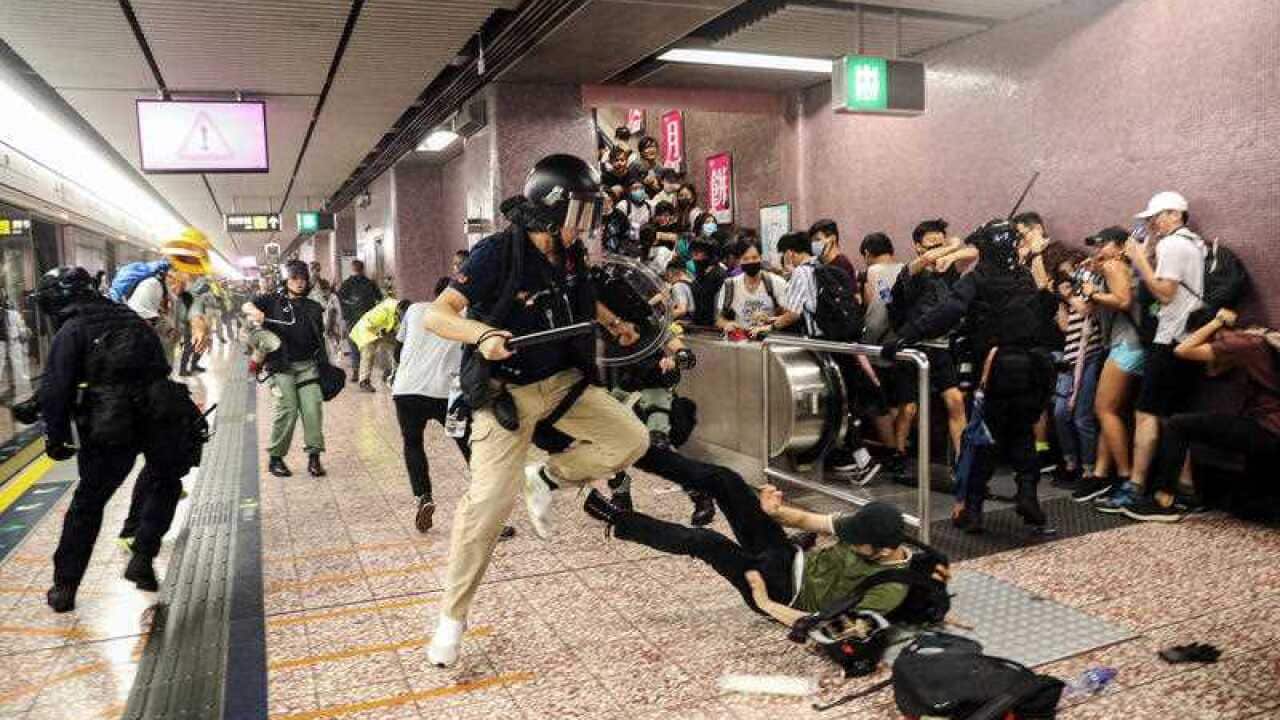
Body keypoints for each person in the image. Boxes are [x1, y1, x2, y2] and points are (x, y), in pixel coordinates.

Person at [424, 154, 650, 667]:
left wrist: (614, 324)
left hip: (565, 383)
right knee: (487, 506)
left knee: (630, 441)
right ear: (550, 212)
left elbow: (580, 297)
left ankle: (545, 478)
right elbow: (437, 316)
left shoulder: (571, 255)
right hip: (507, 394)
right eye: (579, 213)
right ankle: (451, 620)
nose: (585, 226)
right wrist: (481, 334)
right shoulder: (495, 254)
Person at [37, 267, 201, 612]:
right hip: (160, 412)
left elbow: (55, 389)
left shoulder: (72, 330)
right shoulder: (131, 318)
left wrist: (56, 435)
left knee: (88, 504)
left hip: (110, 423)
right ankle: (143, 555)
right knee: (166, 481)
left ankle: (65, 587)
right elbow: (161, 365)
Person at [884, 220, 1057, 534]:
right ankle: (1028, 494)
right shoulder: (1023, 277)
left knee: (981, 438)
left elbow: (948, 312)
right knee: (1022, 433)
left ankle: (973, 509)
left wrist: (906, 335)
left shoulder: (978, 279)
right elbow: (1043, 310)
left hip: (995, 368)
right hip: (1032, 368)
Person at [584, 470, 916, 624]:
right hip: (791, 558)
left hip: (783, 591)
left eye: (856, 543)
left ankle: (617, 519)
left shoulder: (888, 591)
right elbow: (809, 521)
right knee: (728, 482)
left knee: (705, 541)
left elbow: (827, 627)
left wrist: (765, 603)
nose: (848, 541)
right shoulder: (869, 531)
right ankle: (646, 452)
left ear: (882, 552)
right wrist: (775, 511)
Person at [1096, 192, 1206, 514]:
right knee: (1178, 419)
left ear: (1175, 214)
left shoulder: (1172, 245)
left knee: (1146, 413)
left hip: (1169, 339)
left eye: (1157, 216)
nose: (1153, 223)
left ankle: (1136, 488)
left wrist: (1140, 260)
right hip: (1187, 340)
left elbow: (1165, 294)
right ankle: (1184, 488)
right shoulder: (1195, 244)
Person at [1124, 309, 1279, 522]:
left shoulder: (1239, 343)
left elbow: (1183, 350)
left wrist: (1216, 322)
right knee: (1246, 507)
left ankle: (1163, 500)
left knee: (1178, 424)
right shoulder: (1255, 341)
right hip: (1267, 427)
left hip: (1267, 428)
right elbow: (1213, 371)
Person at [770, 232, 880, 481]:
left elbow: (794, 313)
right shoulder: (823, 268)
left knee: (835, 404)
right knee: (842, 401)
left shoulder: (802, 272)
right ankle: (851, 457)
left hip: (823, 345)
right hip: (840, 342)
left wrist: (771, 326)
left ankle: (864, 460)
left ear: (790, 253)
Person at [888, 220, 976, 466]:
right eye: (931, 245)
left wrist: (953, 253)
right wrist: (951, 247)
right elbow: (927, 260)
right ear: (917, 246)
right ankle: (899, 453)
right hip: (913, 346)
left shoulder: (950, 269)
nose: (937, 250)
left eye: (941, 243)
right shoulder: (911, 271)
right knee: (909, 408)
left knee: (955, 400)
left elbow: (973, 252)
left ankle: (962, 459)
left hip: (941, 347)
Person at [1071, 227, 1144, 502]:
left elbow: (1123, 300)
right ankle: (1102, 474)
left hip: (1127, 343)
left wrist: (1094, 292)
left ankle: (1125, 476)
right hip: (1124, 343)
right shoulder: (1112, 267)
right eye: (1096, 245)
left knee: (1104, 409)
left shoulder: (1114, 266)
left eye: (1103, 244)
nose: (1098, 250)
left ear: (1121, 246)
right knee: (1109, 411)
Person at [244, 260, 330, 478]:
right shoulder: (272, 301)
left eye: (303, 279)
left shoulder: (313, 307)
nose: (299, 283)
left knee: (312, 410)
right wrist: (256, 312)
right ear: (286, 280)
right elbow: (247, 305)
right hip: (281, 367)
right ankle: (275, 458)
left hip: (308, 366)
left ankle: (314, 458)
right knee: (288, 410)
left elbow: (320, 337)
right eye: (294, 278)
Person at [1050, 250, 1104, 487]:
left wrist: (1071, 294)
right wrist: (1062, 300)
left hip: (1090, 354)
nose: (1069, 278)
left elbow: (1087, 310)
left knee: (1082, 416)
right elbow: (1064, 326)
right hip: (1070, 358)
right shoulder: (1068, 296)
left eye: (1071, 272)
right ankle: (1070, 462)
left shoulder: (1091, 286)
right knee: (1060, 413)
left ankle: (1089, 469)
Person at [715, 241, 787, 337]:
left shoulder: (777, 282)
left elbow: (788, 316)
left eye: (754, 257)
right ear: (739, 261)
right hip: (741, 340)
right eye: (745, 259)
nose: (750, 262)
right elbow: (719, 319)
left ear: (761, 257)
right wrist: (726, 324)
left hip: (770, 339)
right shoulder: (730, 285)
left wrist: (770, 322)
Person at [337, 259, 383, 381]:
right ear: (363, 269)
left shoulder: (346, 283)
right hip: (368, 319)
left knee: (353, 345)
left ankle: (355, 371)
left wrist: (344, 316)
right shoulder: (370, 283)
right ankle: (365, 374)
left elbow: (339, 300)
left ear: (352, 269)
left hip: (351, 319)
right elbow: (379, 298)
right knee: (367, 346)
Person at [350, 296, 408, 392]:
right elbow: (371, 324)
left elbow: (396, 326)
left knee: (396, 347)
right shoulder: (385, 310)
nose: (403, 317)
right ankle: (364, 381)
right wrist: (384, 334)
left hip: (383, 330)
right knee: (369, 354)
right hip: (367, 330)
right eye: (403, 315)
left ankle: (390, 372)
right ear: (399, 309)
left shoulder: (399, 311)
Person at [809, 219, 859, 295]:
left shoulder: (842, 264)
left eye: (818, 239)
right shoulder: (817, 263)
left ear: (832, 238)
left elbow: (854, 295)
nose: (814, 244)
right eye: (812, 241)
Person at [688, 236, 726, 327]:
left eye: (698, 251)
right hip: (699, 326)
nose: (694, 256)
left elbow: (720, 308)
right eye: (693, 252)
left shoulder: (719, 274)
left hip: (713, 328)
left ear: (709, 253)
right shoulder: (700, 274)